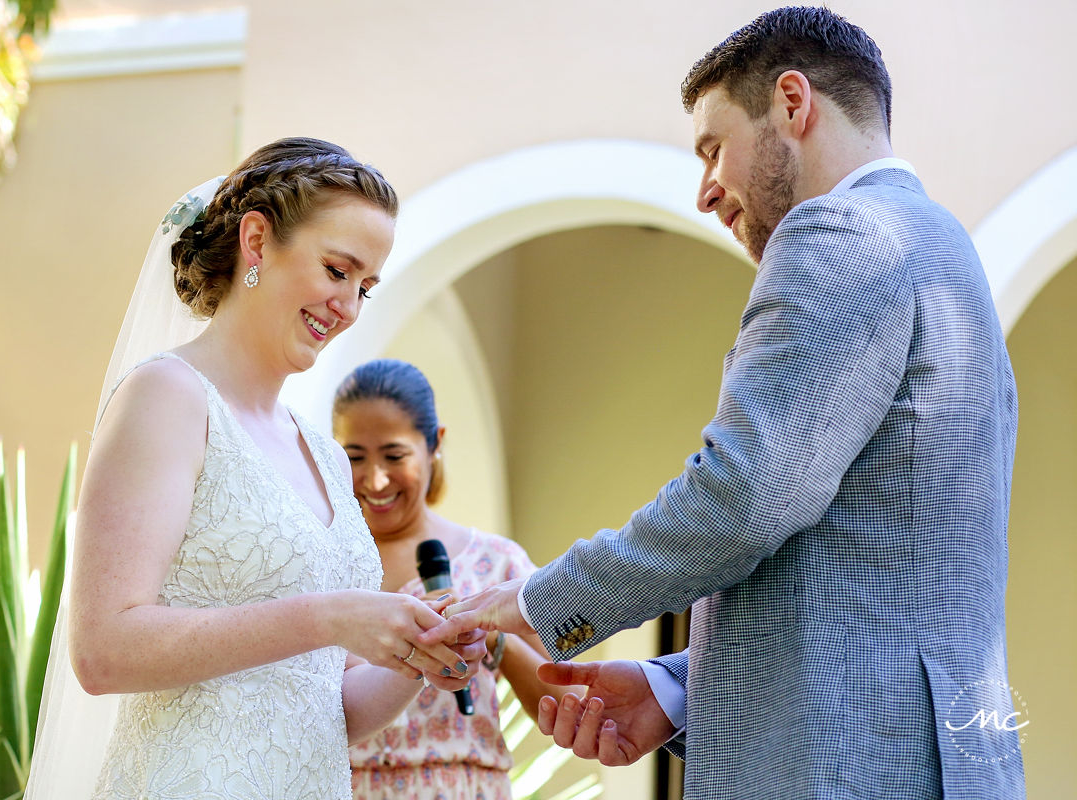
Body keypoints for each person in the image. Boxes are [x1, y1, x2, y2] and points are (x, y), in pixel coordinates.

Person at [422, 7, 1026, 799]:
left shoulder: (837, 234)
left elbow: (743, 495)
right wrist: (676, 690)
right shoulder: (945, 253)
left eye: (713, 148)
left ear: (791, 102)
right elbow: (870, 570)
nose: (706, 192)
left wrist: (541, 601)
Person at [25, 138, 483, 800]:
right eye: (336, 270)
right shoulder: (167, 397)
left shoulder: (324, 454)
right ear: (258, 241)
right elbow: (103, 650)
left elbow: (324, 710)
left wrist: (417, 655)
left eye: (366, 287)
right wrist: (328, 616)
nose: (349, 307)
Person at [332, 359, 575, 800]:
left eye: (394, 455)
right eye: (354, 458)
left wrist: (494, 638)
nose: (375, 478)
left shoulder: (495, 564)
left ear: (433, 444)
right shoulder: (320, 564)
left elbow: (563, 701)